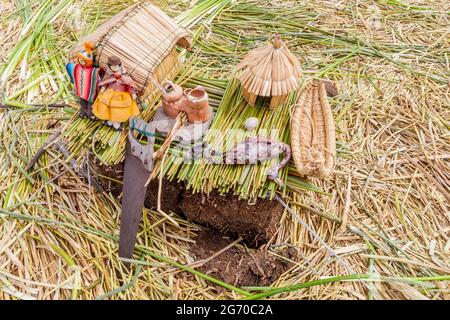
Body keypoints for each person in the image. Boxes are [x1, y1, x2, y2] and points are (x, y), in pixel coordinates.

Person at [92, 56, 140, 130]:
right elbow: (106, 82)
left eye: (116, 67)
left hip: (121, 95)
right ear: (109, 67)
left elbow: (129, 85)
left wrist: (133, 93)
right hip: (109, 93)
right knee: (107, 108)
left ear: (120, 65)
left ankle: (116, 123)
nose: (114, 69)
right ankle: (110, 121)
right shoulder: (109, 74)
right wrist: (103, 88)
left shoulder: (124, 76)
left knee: (118, 110)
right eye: (112, 67)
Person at [66, 42, 102, 119]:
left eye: (84, 60)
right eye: (80, 59)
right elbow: (69, 67)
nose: (82, 62)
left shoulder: (93, 71)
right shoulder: (77, 68)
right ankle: (83, 113)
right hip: (82, 91)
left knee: (90, 104)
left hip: (90, 92)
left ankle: (90, 114)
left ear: (89, 62)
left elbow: (98, 79)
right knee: (83, 103)